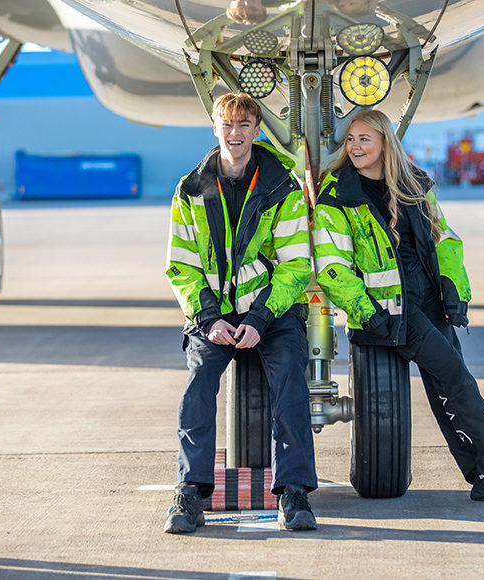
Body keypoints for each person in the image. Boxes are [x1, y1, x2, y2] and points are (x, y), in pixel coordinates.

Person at [312, 110, 484, 504]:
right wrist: (367, 313)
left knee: (448, 386)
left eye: (365, 138)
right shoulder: (338, 195)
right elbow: (331, 267)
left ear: (385, 142)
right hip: (391, 308)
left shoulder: (414, 184)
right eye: (351, 140)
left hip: (429, 297)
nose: (356, 147)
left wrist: (455, 291)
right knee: (456, 379)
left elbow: (445, 239)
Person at [165, 92, 317, 533]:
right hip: (212, 315)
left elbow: (294, 265)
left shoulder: (281, 187)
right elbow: (182, 265)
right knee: (197, 386)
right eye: (227, 124)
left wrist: (259, 318)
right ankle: (190, 492)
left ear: (256, 130)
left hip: (269, 313)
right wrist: (210, 319)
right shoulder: (190, 190)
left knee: (291, 379)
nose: (235, 133)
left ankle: (295, 493)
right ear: (215, 127)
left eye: (244, 125)